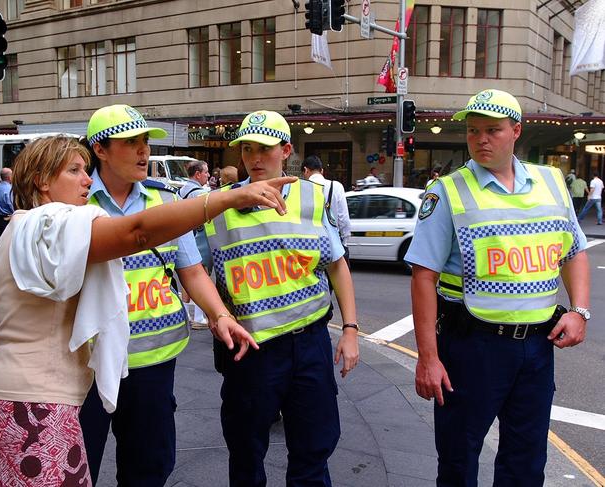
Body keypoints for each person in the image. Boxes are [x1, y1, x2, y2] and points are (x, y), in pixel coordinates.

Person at [0, 135, 290, 487]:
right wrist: (231, 196)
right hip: (37, 405)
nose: (87, 179)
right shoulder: (55, 225)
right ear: (42, 181)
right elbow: (138, 233)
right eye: (75, 170)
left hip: (0, 398)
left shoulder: (16, 230)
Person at [77, 104, 286, 487]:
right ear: (101, 150)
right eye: (131, 142)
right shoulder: (75, 203)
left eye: (146, 142)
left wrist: (220, 315)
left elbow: (191, 270)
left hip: (152, 363)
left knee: (149, 469)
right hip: (84, 366)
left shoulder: (165, 202)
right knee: (76, 469)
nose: (144, 151)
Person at [405, 89, 590, 487]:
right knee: (458, 458)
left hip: (538, 347)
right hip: (472, 348)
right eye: (473, 131)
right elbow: (423, 277)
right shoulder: (448, 191)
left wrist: (579, 310)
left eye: (493, 130)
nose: (481, 139)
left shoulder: (551, 182)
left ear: (516, 131)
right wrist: (428, 358)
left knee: (526, 460)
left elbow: (573, 251)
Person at [206, 110, 359, 487]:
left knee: (314, 449)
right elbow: (191, 269)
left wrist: (351, 329)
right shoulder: (218, 205)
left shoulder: (312, 198)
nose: (255, 158)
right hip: (252, 350)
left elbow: (337, 264)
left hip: (310, 344)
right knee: (245, 452)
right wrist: (216, 313)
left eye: (265, 149)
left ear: (286, 150)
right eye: (247, 149)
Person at [179, 160, 213, 329]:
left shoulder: (182, 189)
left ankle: (185, 315)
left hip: (186, 236)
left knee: (187, 279)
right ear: (197, 174)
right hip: (200, 238)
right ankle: (199, 318)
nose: (208, 175)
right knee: (202, 274)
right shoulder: (200, 193)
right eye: (206, 172)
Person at [301, 155, 352, 255]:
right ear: (322, 171)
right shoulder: (336, 186)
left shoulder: (301, 188)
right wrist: (344, 243)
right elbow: (344, 219)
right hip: (334, 244)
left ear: (305, 170)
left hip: (310, 246)